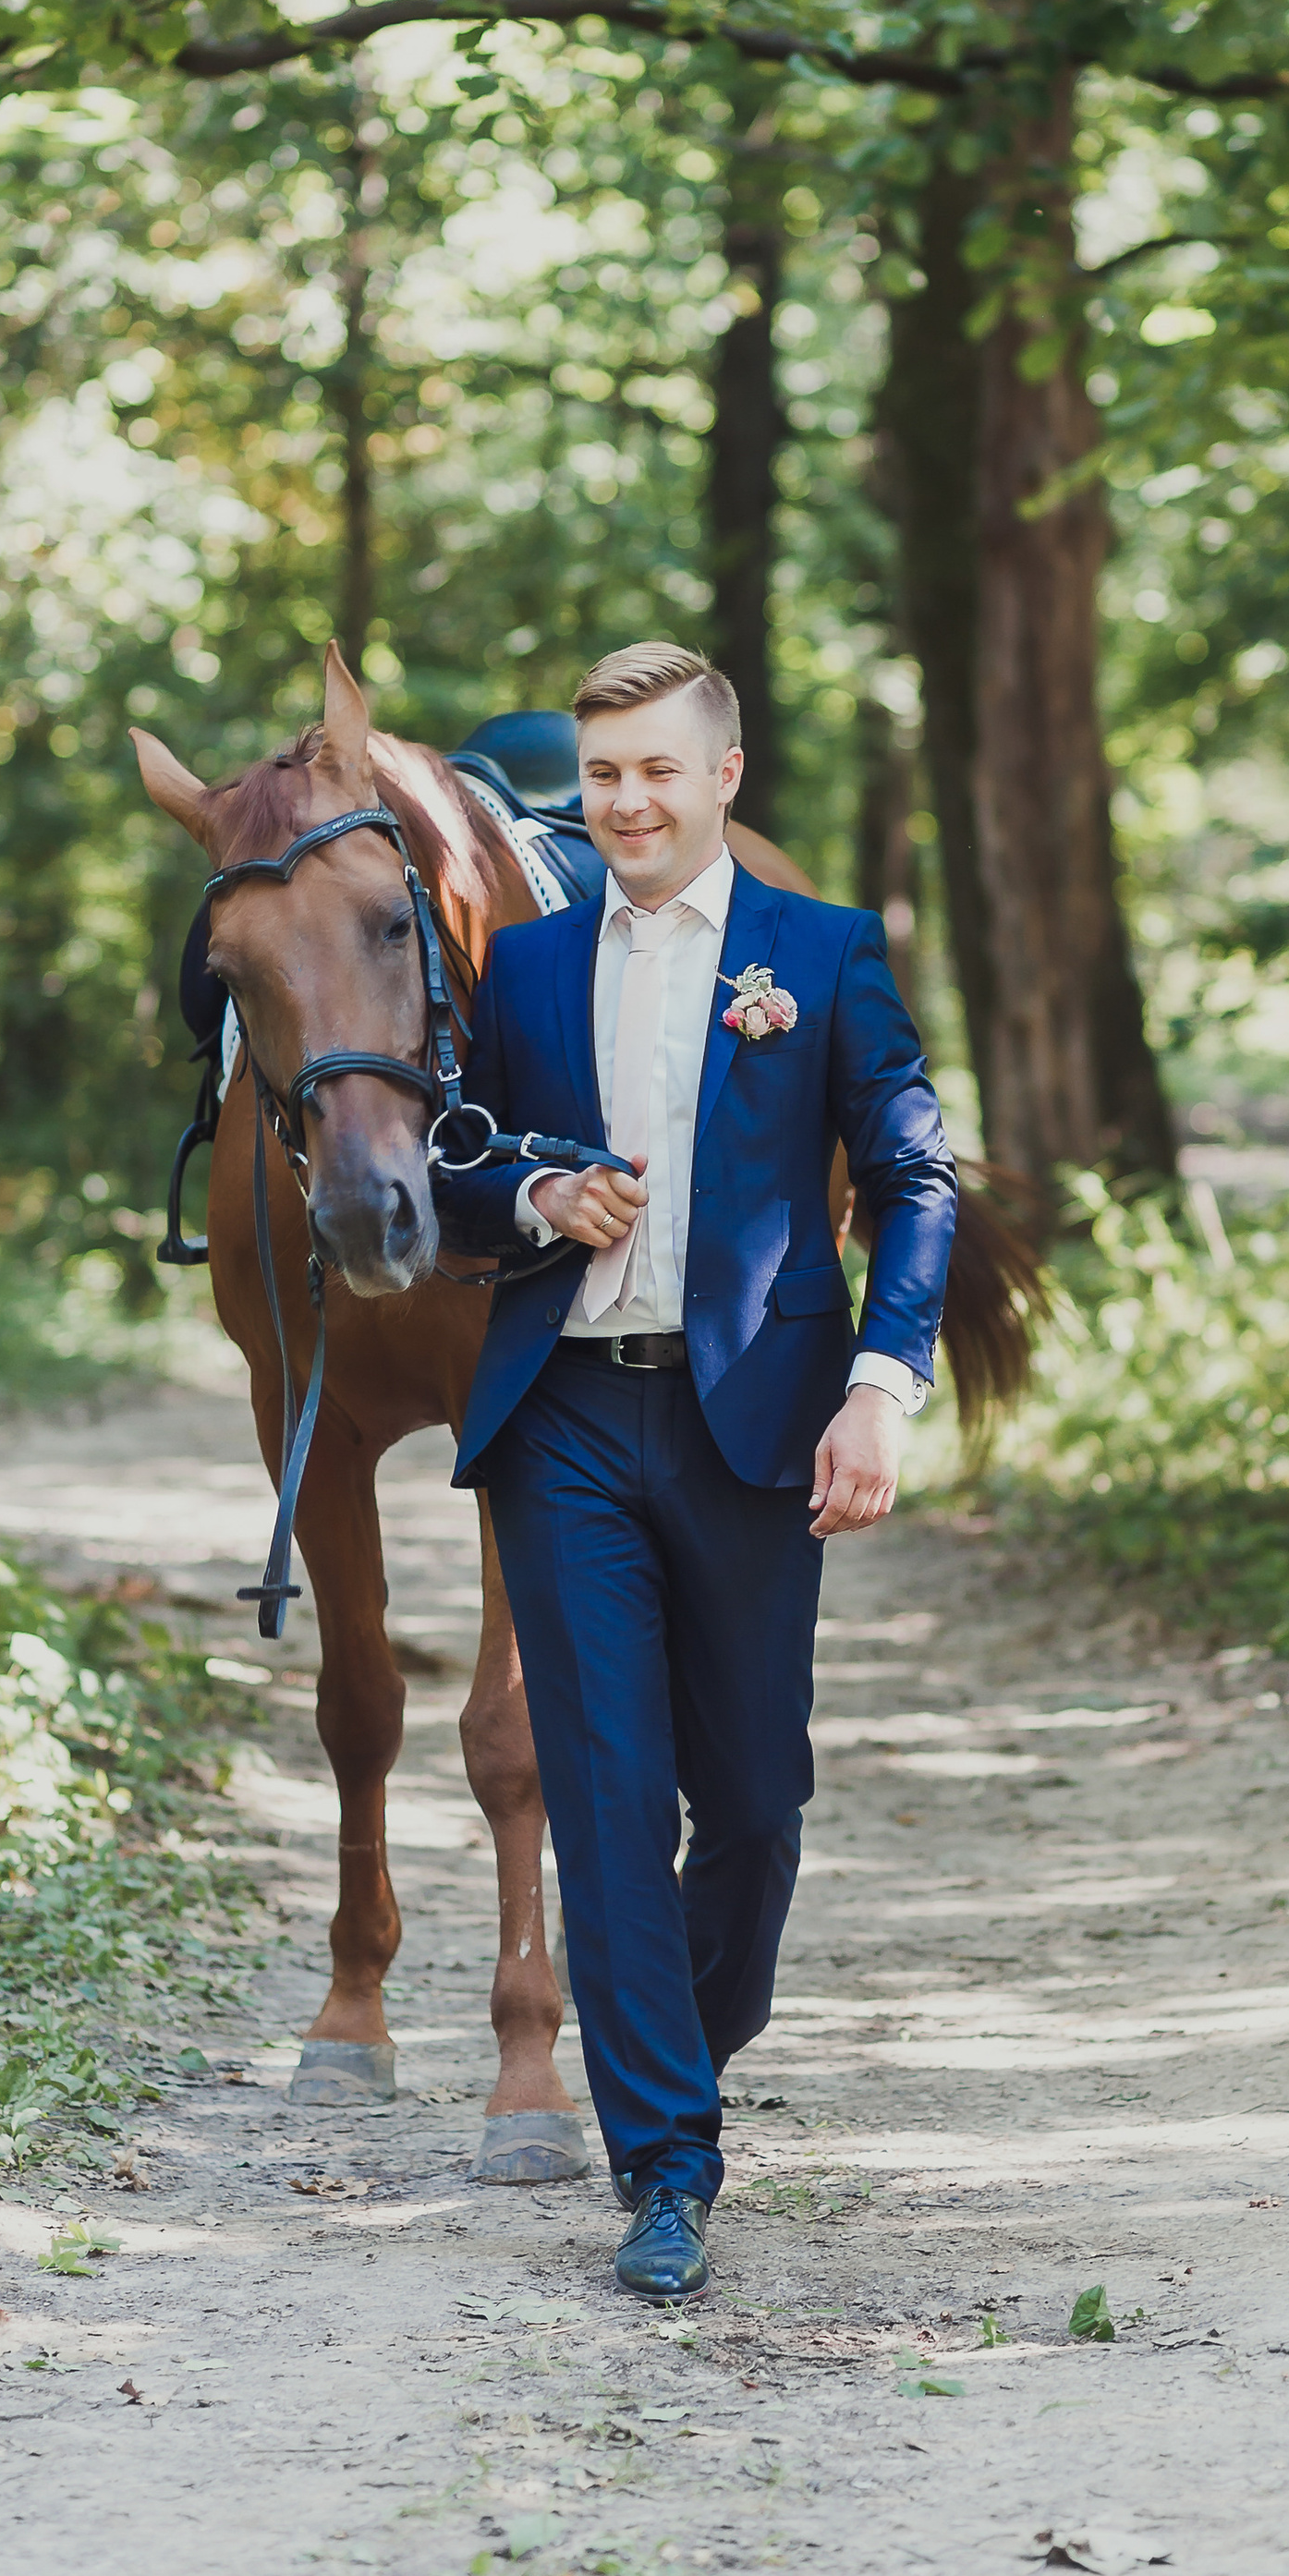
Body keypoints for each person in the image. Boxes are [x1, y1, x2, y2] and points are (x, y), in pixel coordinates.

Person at [433, 640, 956, 2300]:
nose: (629, 802)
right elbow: (453, 1164)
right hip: (565, 1420)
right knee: (607, 1794)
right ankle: (665, 2164)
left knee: (751, 1807)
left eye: (658, 769)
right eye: (602, 777)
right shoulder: (517, 969)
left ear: (723, 776)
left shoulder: (823, 952)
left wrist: (880, 1386)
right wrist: (529, 1201)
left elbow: (915, 1171)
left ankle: (683, 2042)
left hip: (751, 1427)